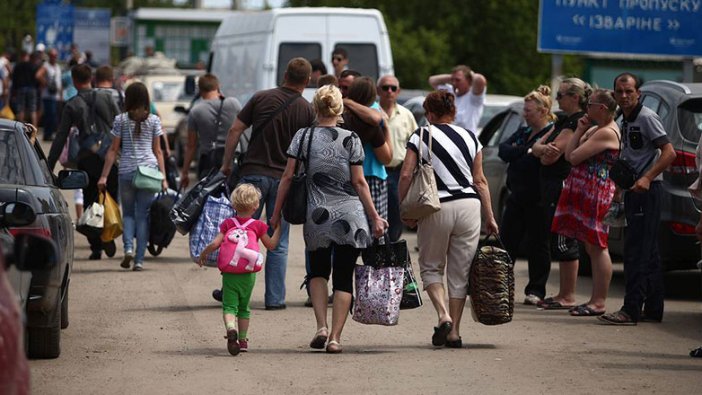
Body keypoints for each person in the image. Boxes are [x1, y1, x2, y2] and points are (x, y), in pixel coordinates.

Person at [271, 84, 387, 353]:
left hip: (317, 215)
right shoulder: (352, 138)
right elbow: (359, 182)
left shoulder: (303, 136)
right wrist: (375, 216)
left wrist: (276, 214)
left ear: (316, 107)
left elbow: (288, 177)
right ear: (339, 108)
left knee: (318, 273)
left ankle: (321, 326)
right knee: (344, 277)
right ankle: (335, 338)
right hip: (351, 215)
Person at [399, 90, 498, 348]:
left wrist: (404, 208)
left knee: (431, 267)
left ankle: (442, 315)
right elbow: (480, 180)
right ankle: (454, 332)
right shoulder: (471, 137)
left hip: (436, 206)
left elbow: (407, 175)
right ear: (453, 112)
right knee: (460, 272)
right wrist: (490, 215)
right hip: (469, 206)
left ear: (429, 113)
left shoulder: (421, 135)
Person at [219, 57, 315, 310]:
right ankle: (275, 299)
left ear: (285, 74)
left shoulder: (260, 97)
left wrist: (226, 164)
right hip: (285, 180)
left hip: (252, 176)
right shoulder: (306, 109)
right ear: (307, 81)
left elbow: (234, 130)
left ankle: (233, 289)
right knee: (277, 241)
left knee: (238, 233)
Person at [598, 73, 677, 325]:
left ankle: (630, 309)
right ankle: (653, 309)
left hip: (648, 192)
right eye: (619, 91)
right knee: (649, 252)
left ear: (638, 93)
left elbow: (669, 152)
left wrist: (647, 177)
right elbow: (631, 153)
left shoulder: (646, 117)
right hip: (633, 191)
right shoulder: (624, 117)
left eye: (629, 91)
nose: (624, 96)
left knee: (636, 253)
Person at [551, 89, 621, 317]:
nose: (586, 107)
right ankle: (592, 299)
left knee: (597, 245)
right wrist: (580, 129)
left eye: (590, 104)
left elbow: (573, 157)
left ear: (601, 108)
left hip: (598, 192)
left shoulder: (606, 132)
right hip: (585, 188)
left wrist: (581, 133)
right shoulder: (594, 128)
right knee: (590, 245)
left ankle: (599, 301)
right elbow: (569, 154)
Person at [197, 183, 281, 356]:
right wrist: (279, 229)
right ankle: (242, 340)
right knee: (244, 307)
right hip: (248, 275)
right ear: (256, 205)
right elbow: (271, 245)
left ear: (233, 204)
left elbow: (215, 243)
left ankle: (230, 328)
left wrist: (203, 254)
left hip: (229, 274)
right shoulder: (258, 226)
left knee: (229, 306)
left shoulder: (228, 224)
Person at [47, 64, 120, 260]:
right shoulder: (107, 97)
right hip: (109, 157)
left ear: (74, 79)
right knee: (109, 197)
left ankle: (96, 245)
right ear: (92, 78)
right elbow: (119, 123)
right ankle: (107, 232)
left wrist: (49, 164)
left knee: (90, 200)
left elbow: (61, 136)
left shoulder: (72, 104)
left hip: (87, 158)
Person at [531, 78, 592, 310]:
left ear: (575, 97)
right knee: (557, 239)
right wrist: (539, 149)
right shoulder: (564, 121)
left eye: (561, 95)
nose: (557, 99)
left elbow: (551, 154)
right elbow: (538, 146)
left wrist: (540, 150)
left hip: (561, 185)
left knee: (564, 240)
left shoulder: (576, 122)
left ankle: (568, 295)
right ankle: (563, 293)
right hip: (550, 185)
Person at [97, 82, 168, 271]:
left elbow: (113, 150)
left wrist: (104, 176)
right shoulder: (153, 120)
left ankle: (128, 248)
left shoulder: (120, 120)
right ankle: (138, 260)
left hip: (126, 172)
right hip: (149, 173)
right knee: (142, 216)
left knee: (127, 214)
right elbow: (158, 151)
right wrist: (164, 177)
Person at [498, 86, 555, 306]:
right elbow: (504, 150)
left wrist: (524, 154)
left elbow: (531, 161)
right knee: (507, 242)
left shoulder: (550, 132)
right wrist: (529, 150)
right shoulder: (523, 132)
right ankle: (500, 285)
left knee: (538, 245)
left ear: (542, 112)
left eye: (529, 111)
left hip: (538, 197)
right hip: (516, 195)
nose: (525, 114)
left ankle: (536, 290)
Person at [180, 73, 242, 188]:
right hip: (232, 160)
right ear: (218, 87)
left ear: (200, 90)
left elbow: (191, 145)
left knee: (207, 199)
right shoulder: (233, 103)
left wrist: (185, 172)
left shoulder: (196, 111)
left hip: (208, 162)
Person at [378, 74, 418, 242]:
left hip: (398, 172)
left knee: (396, 214)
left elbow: (416, 143)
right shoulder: (371, 112)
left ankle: (392, 247)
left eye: (393, 88)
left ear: (398, 91)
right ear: (377, 90)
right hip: (376, 171)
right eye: (385, 87)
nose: (389, 91)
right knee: (376, 215)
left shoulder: (406, 115)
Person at [428, 65, 487, 134]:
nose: (454, 83)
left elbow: (480, 79)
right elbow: (432, 80)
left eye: (458, 80)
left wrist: (470, 74)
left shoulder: (474, 98)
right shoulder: (450, 93)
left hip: (466, 140)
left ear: (468, 80)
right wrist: (452, 77)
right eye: (452, 80)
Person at [35, 48, 62, 141]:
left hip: (56, 95)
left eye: (55, 56)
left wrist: (61, 94)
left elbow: (59, 81)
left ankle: (49, 134)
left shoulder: (57, 67)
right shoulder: (46, 66)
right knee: (50, 115)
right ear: (49, 56)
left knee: (54, 115)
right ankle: (47, 134)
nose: (54, 58)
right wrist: (46, 83)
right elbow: (38, 75)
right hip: (48, 95)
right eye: (52, 56)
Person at [11, 50, 39, 126]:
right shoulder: (32, 65)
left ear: (21, 56)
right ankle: (34, 128)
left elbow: (14, 79)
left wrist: (14, 92)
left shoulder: (18, 65)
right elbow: (36, 77)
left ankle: (20, 129)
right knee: (33, 109)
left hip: (21, 88)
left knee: (21, 109)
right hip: (32, 88)